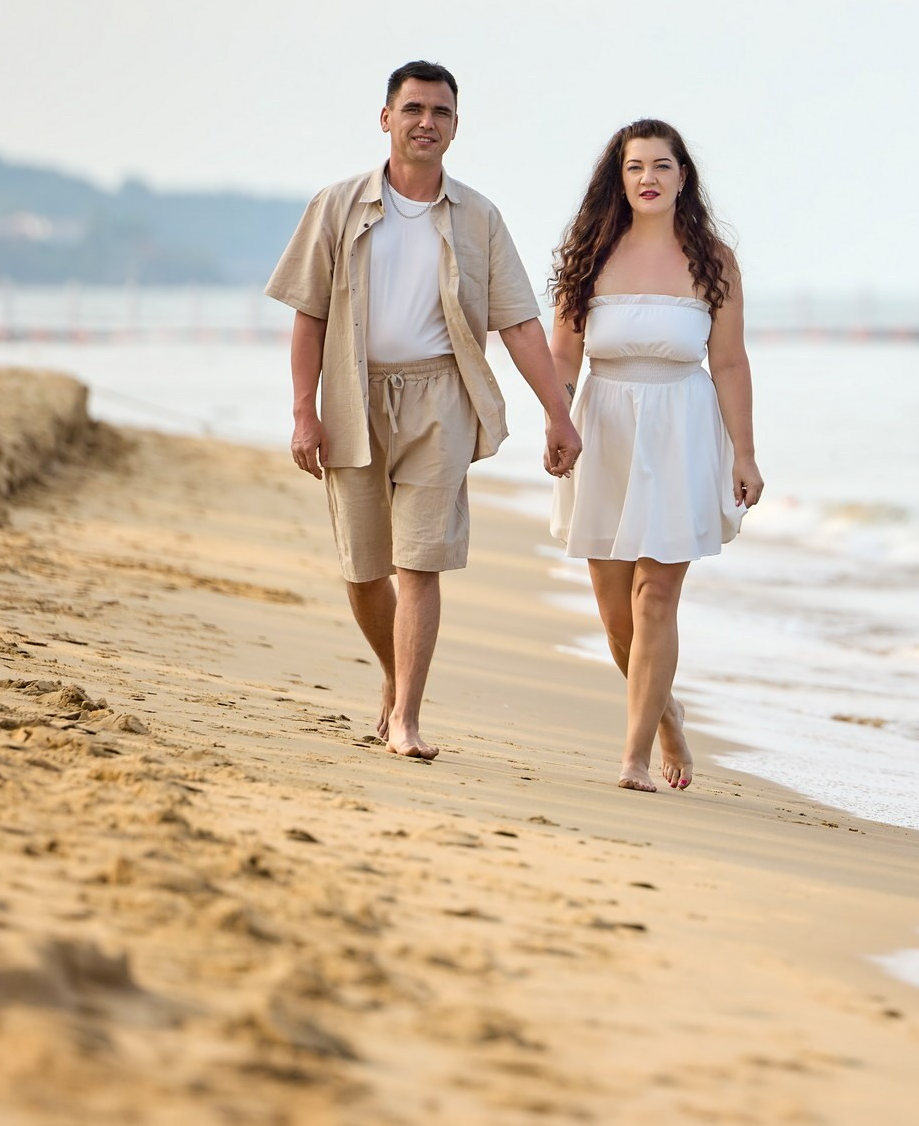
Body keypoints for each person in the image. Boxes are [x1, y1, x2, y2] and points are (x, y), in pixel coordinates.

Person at [266, 60, 581, 760]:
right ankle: (392, 673)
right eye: (412, 109)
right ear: (386, 118)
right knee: (364, 567)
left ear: (456, 126)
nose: (426, 122)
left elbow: (522, 326)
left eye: (440, 112)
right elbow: (309, 315)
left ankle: (406, 716)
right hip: (352, 392)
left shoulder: (479, 217)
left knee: (421, 563)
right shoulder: (337, 205)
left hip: (441, 398)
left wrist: (558, 415)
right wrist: (302, 411)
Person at [546, 119, 763, 792]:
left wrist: (745, 454)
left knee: (655, 596)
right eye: (636, 166)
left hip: (683, 431)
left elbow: (727, 362)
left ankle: (632, 757)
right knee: (616, 618)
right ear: (620, 176)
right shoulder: (590, 251)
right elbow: (562, 352)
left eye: (662, 165)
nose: (649, 177)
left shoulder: (714, 260)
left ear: (683, 177)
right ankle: (667, 713)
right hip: (604, 427)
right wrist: (557, 417)